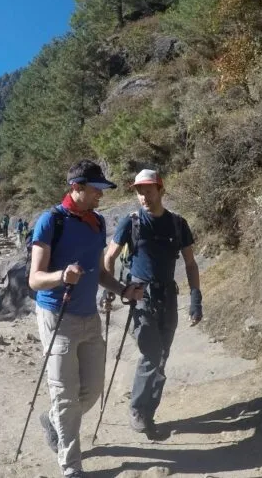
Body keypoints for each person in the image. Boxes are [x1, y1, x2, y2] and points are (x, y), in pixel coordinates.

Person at [29, 159, 143, 478]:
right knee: (65, 394)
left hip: (89, 316)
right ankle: (71, 466)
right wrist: (61, 276)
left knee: (92, 390)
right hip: (57, 315)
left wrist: (123, 289)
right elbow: (35, 279)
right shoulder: (51, 221)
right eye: (97, 189)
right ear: (77, 188)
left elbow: (101, 273)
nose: (101, 195)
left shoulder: (97, 222)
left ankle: (53, 421)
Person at [103, 169, 202, 438]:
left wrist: (195, 297)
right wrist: (111, 290)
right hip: (140, 296)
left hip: (168, 297)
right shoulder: (131, 222)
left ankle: (149, 412)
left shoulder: (178, 224)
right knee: (151, 353)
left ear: (160, 190)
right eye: (138, 191)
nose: (143, 195)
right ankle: (137, 408)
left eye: (148, 189)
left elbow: (190, 264)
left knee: (162, 357)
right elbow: (109, 257)